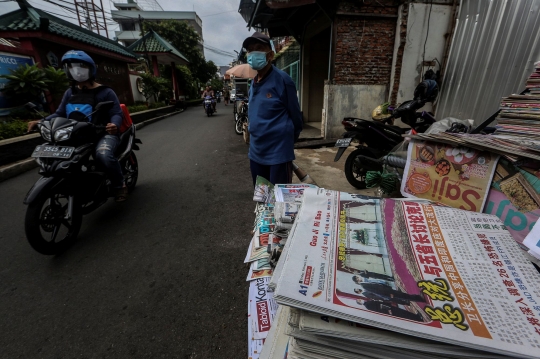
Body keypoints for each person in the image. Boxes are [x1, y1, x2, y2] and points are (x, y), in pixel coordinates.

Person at [27, 50, 127, 202]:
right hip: (75, 134)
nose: (76, 71)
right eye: (72, 67)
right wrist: (41, 121)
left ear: (91, 69)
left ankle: (119, 185)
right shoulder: (70, 92)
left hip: (102, 133)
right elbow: (60, 113)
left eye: (81, 67)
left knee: (103, 155)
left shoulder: (105, 92)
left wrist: (114, 124)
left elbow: (116, 113)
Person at [242, 32, 302, 186]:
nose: (253, 53)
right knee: (262, 199)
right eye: (250, 50)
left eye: (258, 48)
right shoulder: (253, 83)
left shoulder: (283, 80)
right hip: (256, 153)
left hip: (278, 153)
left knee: (279, 201)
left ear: (270, 54)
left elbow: (296, 118)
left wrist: (286, 143)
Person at [356, 299, 425, 322]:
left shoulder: (368, 302)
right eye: (359, 300)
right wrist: (387, 311)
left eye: (359, 299)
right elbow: (378, 309)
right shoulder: (367, 305)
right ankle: (417, 318)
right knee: (403, 314)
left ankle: (416, 316)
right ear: (360, 303)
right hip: (388, 310)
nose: (361, 300)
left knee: (403, 312)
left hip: (389, 307)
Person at [355, 282, 426, 304]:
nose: (359, 279)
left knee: (403, 295)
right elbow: (377, 292)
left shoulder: (364, 284)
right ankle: (420, 298)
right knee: (403, 296)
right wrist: (388, 295)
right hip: (387, 293)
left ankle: (418, 297)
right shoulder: (365, 286)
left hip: (387, 291)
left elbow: (378, 285)